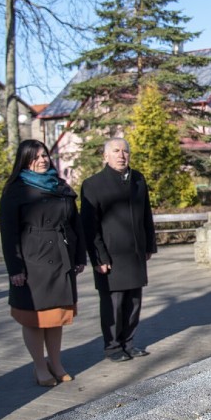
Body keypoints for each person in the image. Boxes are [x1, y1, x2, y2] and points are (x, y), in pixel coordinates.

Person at [0, 140, 86, 387]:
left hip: (61, 258)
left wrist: (79, 256)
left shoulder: (60, 186)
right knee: (35, 318)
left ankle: (56, 363)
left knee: (56, 315)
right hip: (32, 261)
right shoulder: (16, 190)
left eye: (45, 155)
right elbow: (8, 233)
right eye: (35, 156)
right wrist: (15, 269)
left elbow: (75, 224)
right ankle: (40, 367)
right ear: (25, 160)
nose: (42, 159)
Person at [80, 138, 156, 363]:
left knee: (133, 302)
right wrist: (98, 257)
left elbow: (146, 216)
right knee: (113, 305)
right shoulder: (93, 184)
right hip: (110, 255)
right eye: (116, 151)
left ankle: (129, 343)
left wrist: (149, 245)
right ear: (105, 156)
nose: (122, 155)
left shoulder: (138, 180)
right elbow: (89, 226)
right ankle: (113, 347)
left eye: (125, 151)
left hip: (134, 253)